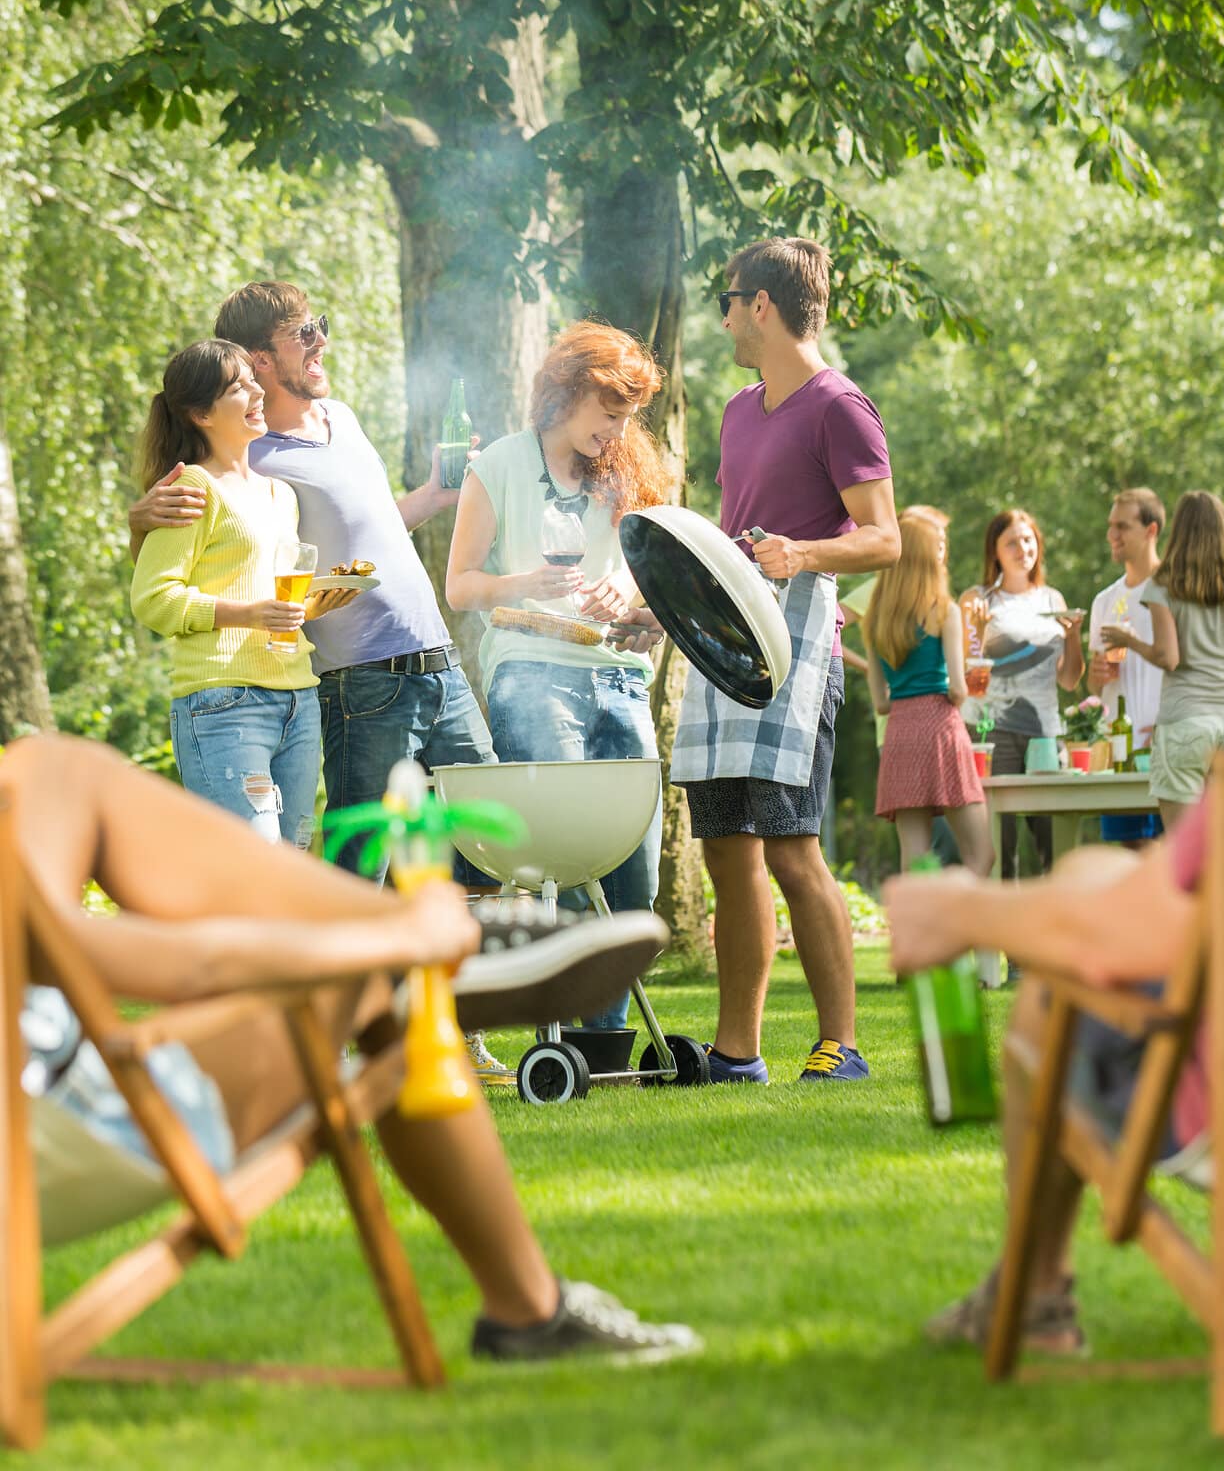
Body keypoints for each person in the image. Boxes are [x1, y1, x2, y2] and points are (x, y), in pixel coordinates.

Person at [6, 732, 697, 1365]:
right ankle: (434, 949)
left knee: (54, 772)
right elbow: (109, 957)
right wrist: (398, 944)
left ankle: (430, 945)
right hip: (58, 1132)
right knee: (372, 979)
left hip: (55, 1094)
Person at [128, 284, 506, 1081]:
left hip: (437, 657)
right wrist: (140, 518)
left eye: (321, 326)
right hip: (356, 681)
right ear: (259, 362)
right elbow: (177, 539)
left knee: (471, 848)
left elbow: (364, 527)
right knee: (358, 867)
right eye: (305, 333)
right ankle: (325, 1039)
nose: (322, 342)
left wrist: (434, 497)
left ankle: (457, 1031)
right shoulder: (248, 454)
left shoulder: (343, 424)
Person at [884, 777, 1224, 1357]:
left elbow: (1133, 936)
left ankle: (1033, 1299)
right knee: (1091, 872)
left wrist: (962, 910)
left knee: (1060, 986)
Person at [668, 237, 900, 1085]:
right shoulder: (737, 410)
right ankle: (738, 1054)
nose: (724, 314)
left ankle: (841, 1044)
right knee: (728, 849)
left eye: (727, 300)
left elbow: (885, 537)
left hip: (800, 655)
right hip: (726, 649)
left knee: (793, 846)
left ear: (760, 304)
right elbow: (728, 546)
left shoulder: (840, 406)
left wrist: (800, 555)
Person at [445, 322, 669, 1031]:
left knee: (639, 872)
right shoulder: (501, 465)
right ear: (569, 391)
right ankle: (591, 1039)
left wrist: (625, 592)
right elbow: (460, 586)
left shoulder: (630, 470)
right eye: (610, 413)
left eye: (628, 417)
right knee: (568, 857)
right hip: (531, 670)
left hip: (620, 674)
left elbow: (648, 559)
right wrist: (524, 583)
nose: (618, 429)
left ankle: (598, 1032)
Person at [131, 341, 343, 848]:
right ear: (200, 413)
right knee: (255, 869)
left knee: (286, 867)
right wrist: (251, 614)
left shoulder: (280, 495)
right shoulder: (193, 488)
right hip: (223, 703)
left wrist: (321, 599)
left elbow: (267, 591)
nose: (256, 391)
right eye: (237, 387)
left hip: (296, 696)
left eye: (254, 379)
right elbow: (153, 598)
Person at [1101, 490, 1224, 832]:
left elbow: (1169, 658)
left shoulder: (1164, 584)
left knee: (1181, 857)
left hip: (1186, 721)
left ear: (1179, 530)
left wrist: (1130, 642)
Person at [863, 511, 992, 878]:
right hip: (940, 728)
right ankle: (963, 930)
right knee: (981, 854)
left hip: (900, 732)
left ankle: (920, 934)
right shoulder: (945, 611)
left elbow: (881, 702)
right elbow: (957, 689)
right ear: (927, 555)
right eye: (939, 546)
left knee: (916, 859)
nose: (943, 554)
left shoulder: (876, 619)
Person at [964, 509, 1084, 881]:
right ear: (994, 552)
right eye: (1011, 542)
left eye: (1028, 539)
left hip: (1045, 733)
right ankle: (1003, 936)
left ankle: (1057, 934)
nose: (1022, 548)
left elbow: (1069, 681)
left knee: (1055, 841)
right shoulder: (977, 600)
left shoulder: (1053, 599)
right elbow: (970, 685)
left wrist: (1075, 636)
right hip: (991, 733)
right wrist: (980, 635)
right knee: (1001, 846)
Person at [1086, 487, 1166, 846]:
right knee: (1127, 858)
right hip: (1119, 757)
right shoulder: (1105, 601)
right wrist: (1096, 676)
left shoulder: (1177, 592)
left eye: (1123, 526)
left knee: (1173, 864)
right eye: (1109, 526)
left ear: (1151, 531)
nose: (1111, 535)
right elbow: (1095, 686)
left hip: (1168, 753)